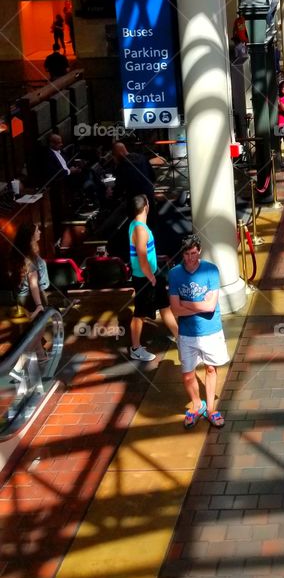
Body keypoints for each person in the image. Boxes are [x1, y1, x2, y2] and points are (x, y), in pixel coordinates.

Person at [168, 233, 230, 428]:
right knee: (187, 374)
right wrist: (198, 304)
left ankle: (211, 408)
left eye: (193, 253)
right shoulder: (175, 273)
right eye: (186, 254)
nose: (190, 259)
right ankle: (197, 404)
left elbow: (210, 307)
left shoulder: (211, 270)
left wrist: (185, 303)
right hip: (187, 333)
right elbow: (175, 309)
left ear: (199, 251)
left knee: (211, 369)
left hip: (211, 330)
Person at [128, 194, 178, 362]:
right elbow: (142, 258)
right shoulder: (140, 230)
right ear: (146, 206)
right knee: (140, 314)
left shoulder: (134, 224)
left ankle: (179, 337)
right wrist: (152, 277)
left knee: (165, 306)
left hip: (151, 274)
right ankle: (135, 348)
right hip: (145, 278)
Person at [10, 223, 49, 318]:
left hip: (23, 297)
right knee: (38, 330)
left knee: (31, 328)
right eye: (37, 230)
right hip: (32, 298)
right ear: (30, 236)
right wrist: (39, 305)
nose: (40, 232)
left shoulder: (21, 252)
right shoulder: (29, 256)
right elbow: (33, 284)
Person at [112, 141, 155, 208]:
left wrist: (112, 194)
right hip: (149, 194)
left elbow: (120, 187)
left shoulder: (122, 166)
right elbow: (152, 176)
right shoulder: (142, 157)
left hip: (136, 200)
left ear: (119, 153)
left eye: (115, 154)